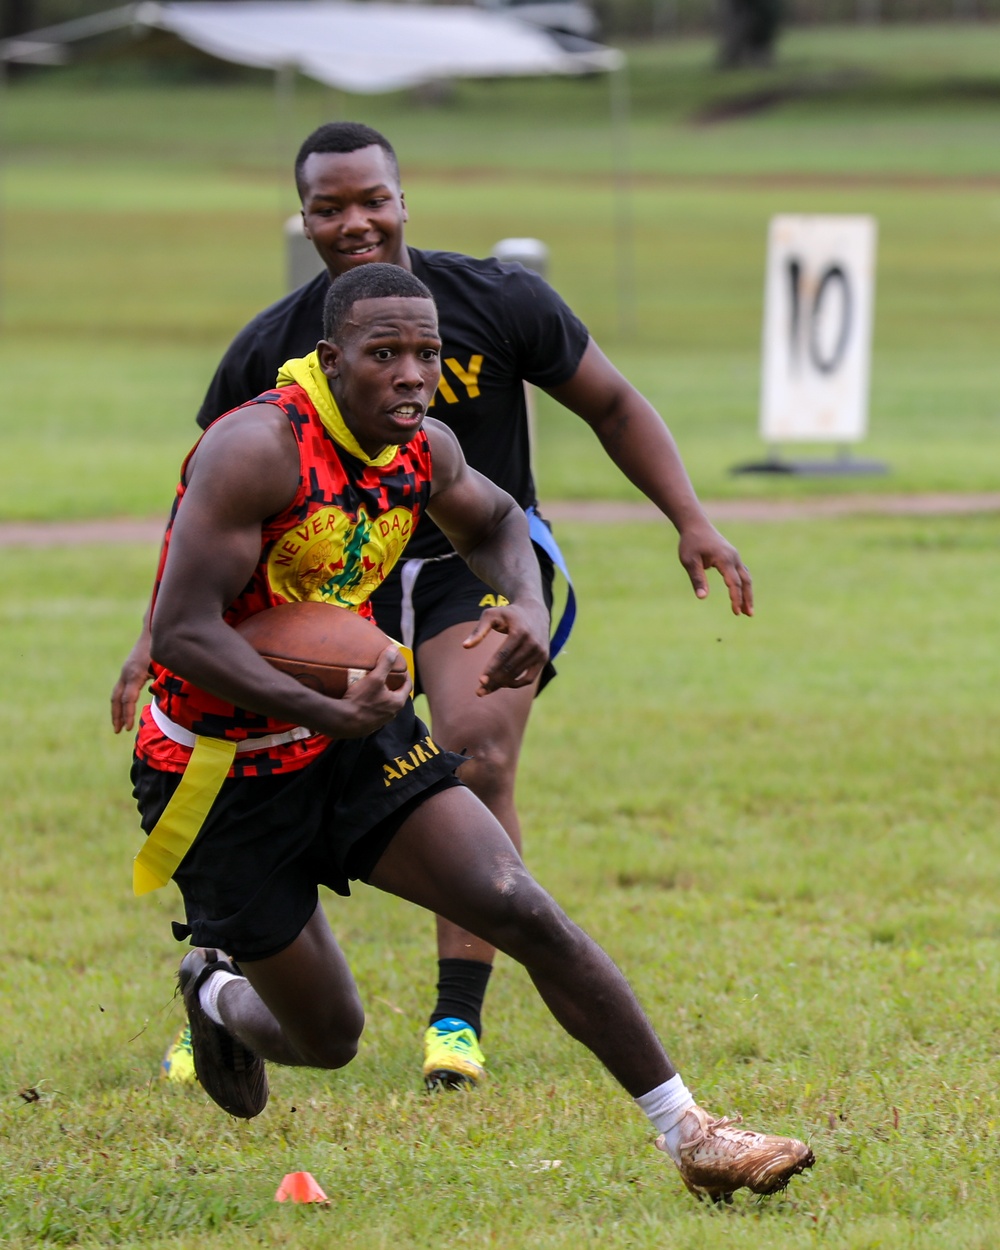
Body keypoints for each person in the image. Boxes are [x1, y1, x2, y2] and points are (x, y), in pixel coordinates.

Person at [130, 264, 813, 1206]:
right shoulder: (256, 449)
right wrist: (327, 708)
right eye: (385, 355)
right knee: (330, 1039)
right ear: (331, 362)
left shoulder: (422, 445)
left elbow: (496, 519)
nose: (413, 375)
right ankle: (213, 996)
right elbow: (183, 631)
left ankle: (692, 1133)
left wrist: (523, 598)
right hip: (221, 769)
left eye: (428, 354)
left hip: (349, 735)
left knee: (518, 903)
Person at [113, 121, 753, 1092]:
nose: (355, 220)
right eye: (329, 206)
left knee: (481, 750)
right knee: (325, 1019)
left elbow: (600, 417)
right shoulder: (268, 368)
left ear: (405, 199)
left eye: (373, 198)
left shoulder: (493, 305)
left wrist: (677, 525)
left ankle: (464, 1017)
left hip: (452, 565)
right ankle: (230, 980)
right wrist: (149, 645)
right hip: (324, 602)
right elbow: (195, 535)